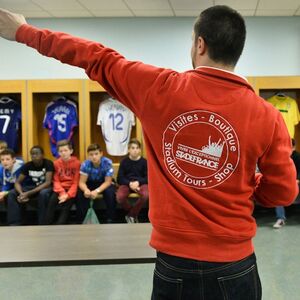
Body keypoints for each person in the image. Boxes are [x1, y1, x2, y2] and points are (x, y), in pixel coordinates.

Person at [0, 5, 298, 299]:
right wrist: (250, 186)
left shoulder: (158, 88)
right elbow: (283, 193)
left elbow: (93, 55)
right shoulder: (267, 115)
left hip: (174, 264)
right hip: (236, 265)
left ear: (200, 43)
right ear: (237, 50)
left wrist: (24, 32)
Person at [7, 146, 54, 225]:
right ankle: (14, 223)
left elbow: (47, 182)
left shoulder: (48, 163)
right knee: (12, 193)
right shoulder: (28, 165)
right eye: (32, 154)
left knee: (43, 193)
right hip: (32, 187)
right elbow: (17, 182)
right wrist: (21, 193)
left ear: (42, 155)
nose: (34, 156)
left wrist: (28, 193)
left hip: (46, 188)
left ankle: (42, 223)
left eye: (36, 154)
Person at [77, 143, 116, 224]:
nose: (94, 157)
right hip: (90, 183)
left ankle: (110, 218)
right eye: (91, 154)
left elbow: (108, 182)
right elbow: (81, 182)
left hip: (104, 183)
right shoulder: (85, 164)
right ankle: (82, 219)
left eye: (96, 154)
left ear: (101, 153)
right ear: (88, 155)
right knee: (80, 193)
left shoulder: (107, 162)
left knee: (110, 193)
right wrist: (86, 190)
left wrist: (97, 191)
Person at [44, 140, 80, 225]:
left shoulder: (77, 163)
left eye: (65, 150)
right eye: (61, 151)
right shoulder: (56, 163)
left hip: (71, 190)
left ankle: (60, 224)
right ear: (58, 152)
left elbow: (76, 182)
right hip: (60, 189)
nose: (63, 153)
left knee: (67, 206)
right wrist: (62, 193)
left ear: (71, 151)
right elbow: (56, 180)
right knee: (52, 202)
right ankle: (46, 224)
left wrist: (67, 195)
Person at [116, 138, 148, 223]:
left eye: (137, 148)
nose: (135, 150)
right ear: (129, 150)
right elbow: (119, 178)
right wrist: (130, 183)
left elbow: (148, 178)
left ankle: (131, 215)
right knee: (120, 197)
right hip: (127, 184)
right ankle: (133, 213)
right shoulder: (124, 162)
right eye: (133, 148)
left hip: (140, 184)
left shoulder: (144, 162)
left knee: (145, 195)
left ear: (140, 150)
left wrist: (138, 182)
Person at [273, 139, 300, 228]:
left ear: (293, 147)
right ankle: (281, 219)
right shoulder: (283, 158)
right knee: (277, 194)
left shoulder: (298, 157)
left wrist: (298, 179)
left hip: (296, 182)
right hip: (285, 183)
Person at [0, 149, 23, 222]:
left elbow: (19, 184)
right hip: (13, 187)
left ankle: (14, 223)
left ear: (14, 160)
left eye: (7, 159)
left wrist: (6, 192)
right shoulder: (2, 169)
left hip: (24, 187)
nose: (4, 162)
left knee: (11, 194)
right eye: (2, 160)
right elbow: (6, 184)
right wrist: (3, 192)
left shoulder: (20, 167)